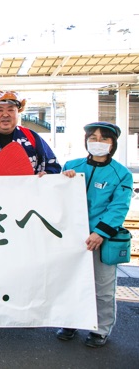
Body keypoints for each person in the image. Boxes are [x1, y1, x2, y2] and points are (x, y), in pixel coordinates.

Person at [56, 122, 133, 348]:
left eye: (104, 139)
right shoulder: (72, 165)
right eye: (93, 137)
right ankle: (69, 322)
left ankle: (101, 329)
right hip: (72, 236)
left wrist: (100, 232)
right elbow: (58, 196)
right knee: (70, 282)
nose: (97, 142)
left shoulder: (122, 174)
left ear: (113, 144)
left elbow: (119, 207)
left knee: (103, 287)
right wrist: (64, 179)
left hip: (102, 239)